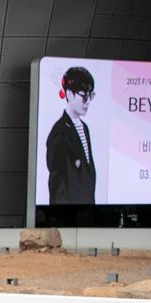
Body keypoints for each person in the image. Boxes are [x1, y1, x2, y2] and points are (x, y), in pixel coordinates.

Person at [45, 66, 96, 205]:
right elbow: (57, 182)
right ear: (69, 94)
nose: (88, 101)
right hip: (69, 215)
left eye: (90, 95)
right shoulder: (59, 132)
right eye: (83, 95)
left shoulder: (84, 128)